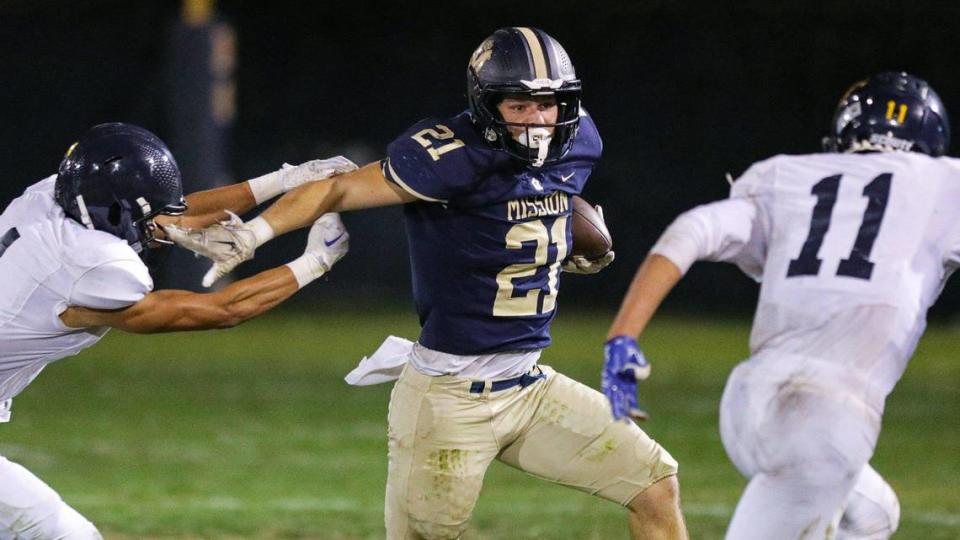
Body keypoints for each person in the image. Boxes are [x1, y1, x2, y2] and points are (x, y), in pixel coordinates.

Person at [170, 27, 687, 540]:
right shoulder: (449, 154)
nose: (538, 119)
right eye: (519, 106)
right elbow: (334, 190)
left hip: (529, 385)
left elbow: (532, 205)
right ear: (487, 106)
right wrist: (257, 233)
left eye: (548, 103)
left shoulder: (579, 142)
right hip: (450, 397)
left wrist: (559, 243)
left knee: (655, 485)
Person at [604, 71, 955, 539]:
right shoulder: (943, 183)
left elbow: (691, 229)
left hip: (748, 404)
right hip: (827, 421)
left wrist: (622, 335)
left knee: (873, 516)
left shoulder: (787, 175)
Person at [0, 122, 352, 538]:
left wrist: (283, 180)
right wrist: (315, 262)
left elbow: (166, 212)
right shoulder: (93, 266)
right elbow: (223, 310)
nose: (157, 223)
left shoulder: (47, 199)